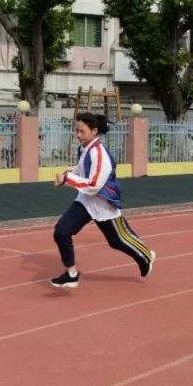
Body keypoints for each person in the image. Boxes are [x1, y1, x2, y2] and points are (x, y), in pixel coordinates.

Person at [50, 112, 156, 288]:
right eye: (76, 131)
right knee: (61, 231)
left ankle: (146, 256)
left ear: (94, 131)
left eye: (82, 131)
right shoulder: (86, 149)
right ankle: (71, 274)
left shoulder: (100, 154)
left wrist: (67, 179)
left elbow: (94, 185)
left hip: (103, 202)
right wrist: (69, 172)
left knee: (118, 241)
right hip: (85, 201)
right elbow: (82, 167)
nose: (78, 135)